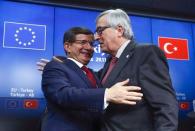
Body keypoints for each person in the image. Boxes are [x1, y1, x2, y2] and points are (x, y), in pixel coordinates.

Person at [41, 27, 143, 131]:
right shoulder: (54, 67)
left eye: (91, 44)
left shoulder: (92, 74)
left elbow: (115, 68)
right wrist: (107, 94)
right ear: (67, 46)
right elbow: (62, 94)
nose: (89, 47)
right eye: (83, 42)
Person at [94, 9, 178, 131]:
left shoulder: (146, 53)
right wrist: (67, 63)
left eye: (100, 31)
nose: (96, 37)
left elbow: (165, 105)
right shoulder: (110, 61)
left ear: (119, 30)